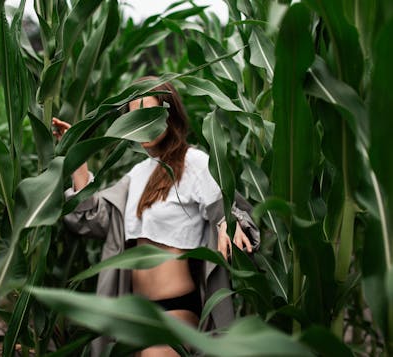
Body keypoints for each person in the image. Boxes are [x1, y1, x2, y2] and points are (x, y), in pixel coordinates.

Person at [53, 77, 259, 356]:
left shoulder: (194, 163)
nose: (141, 123)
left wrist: (227, 223)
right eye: (134, 117)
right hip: (134, 314)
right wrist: (78, 160)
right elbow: (93, 219)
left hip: (174, 310)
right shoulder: (137, 174)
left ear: (168, 113)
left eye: (149, 114)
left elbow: (223, 206)